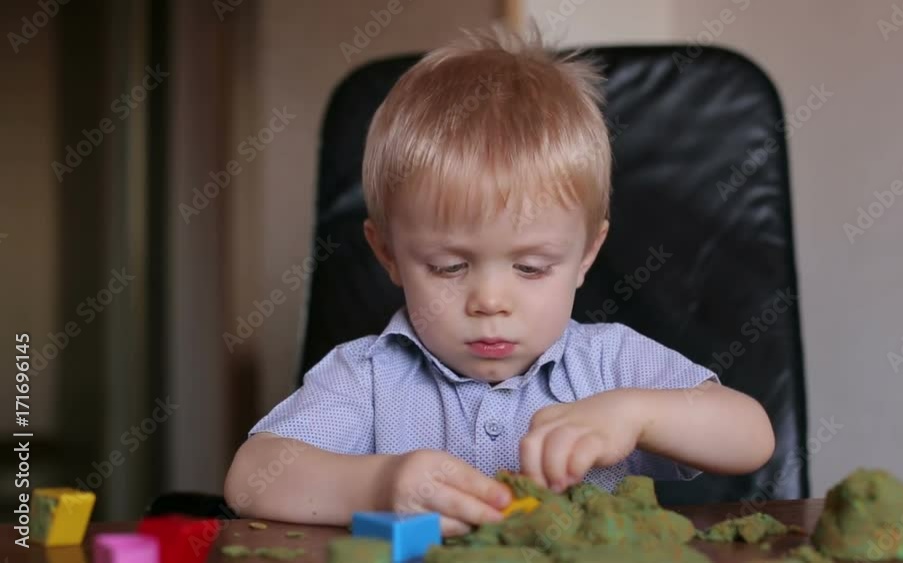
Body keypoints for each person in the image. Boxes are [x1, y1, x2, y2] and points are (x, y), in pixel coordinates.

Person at [224, 23, 775, 537]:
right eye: (449, 266)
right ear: (387, 253)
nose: (490, 300)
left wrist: (637, 415)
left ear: (587, 254)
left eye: (531, 268)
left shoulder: (610, 366)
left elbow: (752, 436)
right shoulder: (368, 377)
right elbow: (251, 478)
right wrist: (380, 485)